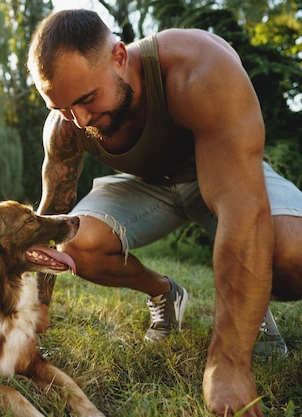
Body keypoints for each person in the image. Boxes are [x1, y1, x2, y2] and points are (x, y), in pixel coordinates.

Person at [27, 8, 302, 417]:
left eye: (87, 100)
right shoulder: (67, 125)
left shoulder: (200, 68)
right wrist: (39, 308)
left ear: (119, 56)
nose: (79, 120)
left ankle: (254, 306)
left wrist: (228, 363)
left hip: (224, 171)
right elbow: (54, 212)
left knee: (292, 256)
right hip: (150, 186)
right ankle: (165, 294)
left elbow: (244, 210)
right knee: (76, 244)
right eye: (63, 107)